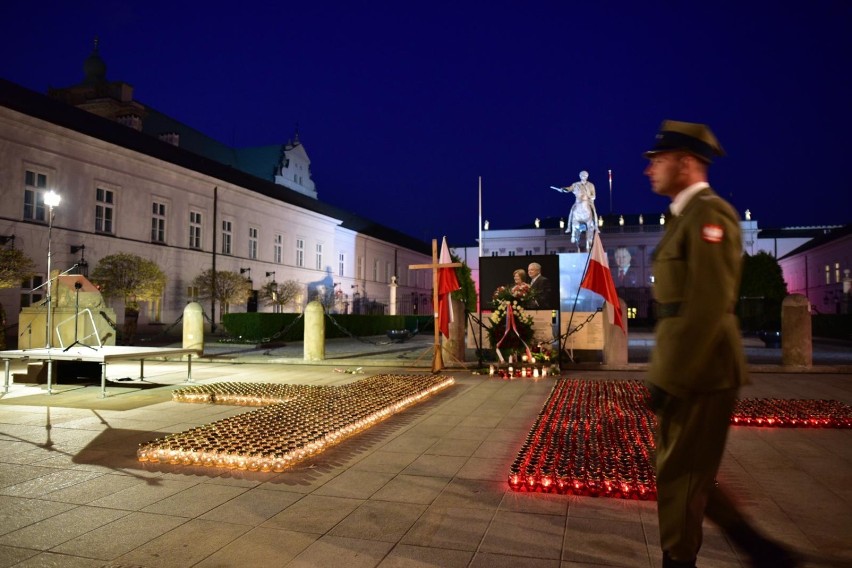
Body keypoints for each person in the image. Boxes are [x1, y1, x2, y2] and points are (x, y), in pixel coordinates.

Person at [643, 120, 797, 568]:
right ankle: (759, 549)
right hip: (685, 364)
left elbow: (708, 304)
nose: (649, 169)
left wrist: (673, 377)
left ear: (686, 163)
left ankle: (683, 560)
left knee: (683, 473)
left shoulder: (711, 214)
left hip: (703, 369)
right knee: (681, 470)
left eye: (658, 160)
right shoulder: (685, 215)